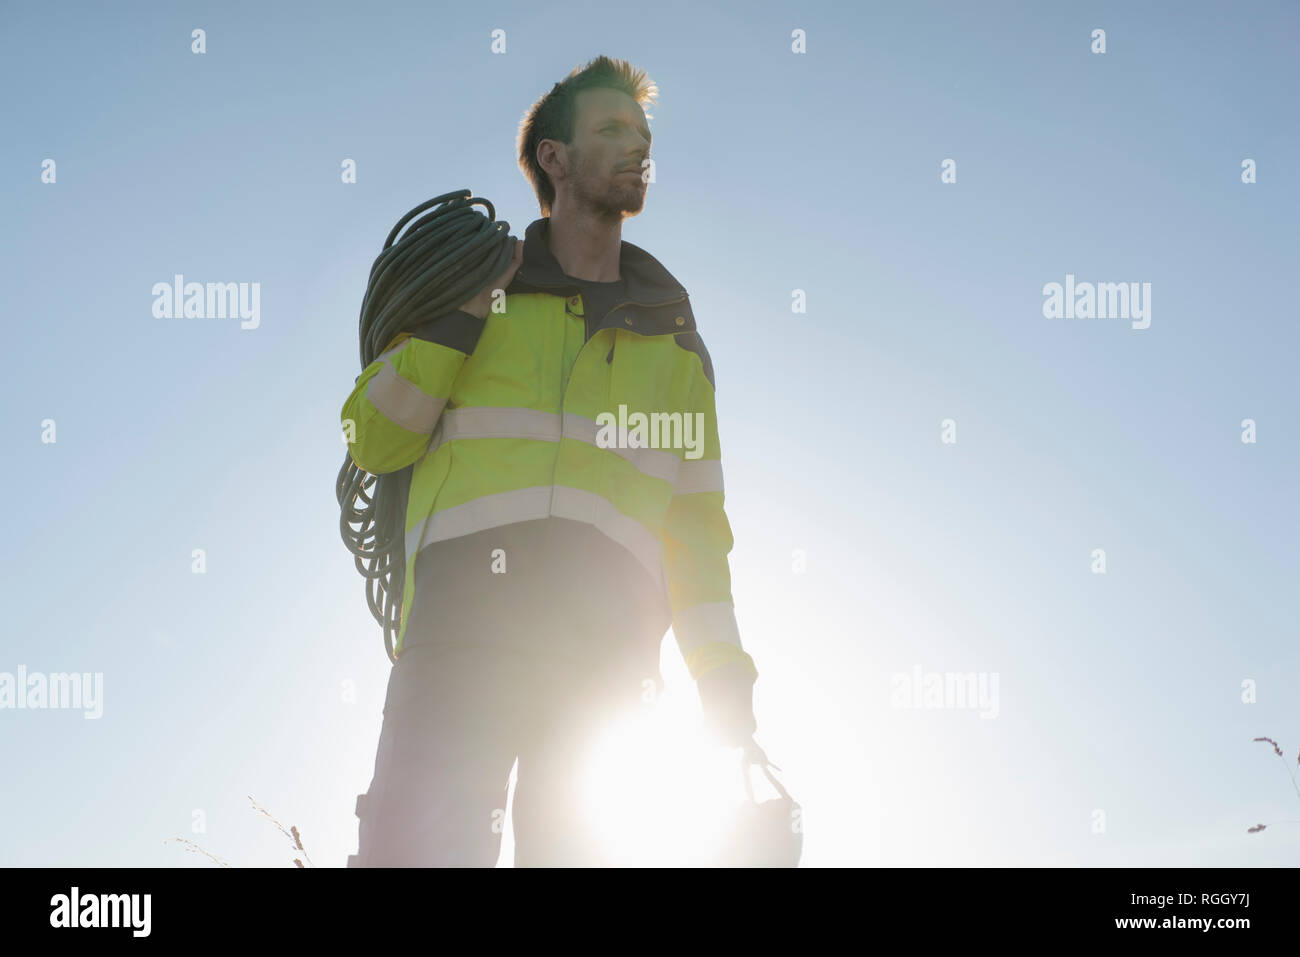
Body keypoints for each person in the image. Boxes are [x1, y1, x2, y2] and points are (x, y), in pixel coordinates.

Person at [343, 55, 759, 867]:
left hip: (606, 661)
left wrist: (725, 680)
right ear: (554, 160)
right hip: (459, 636)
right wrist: (462, 314)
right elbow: (374, 438)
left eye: (642, 135)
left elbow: (698, 538)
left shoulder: (676, 347)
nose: (636, 146)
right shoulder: (467, 297)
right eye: (610, 130)